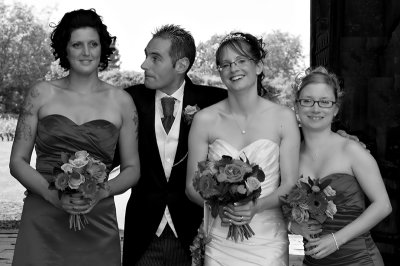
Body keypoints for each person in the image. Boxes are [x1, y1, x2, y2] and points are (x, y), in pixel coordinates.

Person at [9, 9, 140, 266]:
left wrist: (102, 193)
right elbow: (18, 161)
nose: (86, 52)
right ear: (65, 50)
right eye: (77, 45)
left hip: (97, 219)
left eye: (93, 44)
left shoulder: (122, 102)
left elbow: (133, 169)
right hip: (43, 218)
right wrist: (53, 196)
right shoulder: (41, 94)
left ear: (102, 48)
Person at [115, 24, 227, 265]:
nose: (144, 64)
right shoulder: (129, 99)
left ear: (181, 65)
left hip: (193, 233)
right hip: (142, 233)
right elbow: (107, 154)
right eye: (146, 55)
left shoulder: (215, 102)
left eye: (155, 58)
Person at [186, 32, 300, 265]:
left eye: (241, 61)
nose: (232, 69)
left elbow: (289, 183)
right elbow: (191, 186)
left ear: (258, 66)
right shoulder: (205, 119)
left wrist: (255, 207)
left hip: (268, 240)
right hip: (220, 238)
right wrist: (221, 206)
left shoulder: (283, 117)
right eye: (225, 64)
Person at [291, 66, 392, 265]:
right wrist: (293, 225)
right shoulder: (289, 156)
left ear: (336, 108)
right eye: (307, 101)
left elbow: (383, 205)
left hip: (358, 259)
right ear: (296, 106)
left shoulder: (352, 150)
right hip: (313, 261)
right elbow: (278, 206)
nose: (316, 108)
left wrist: (337, 239)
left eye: (325, 102)